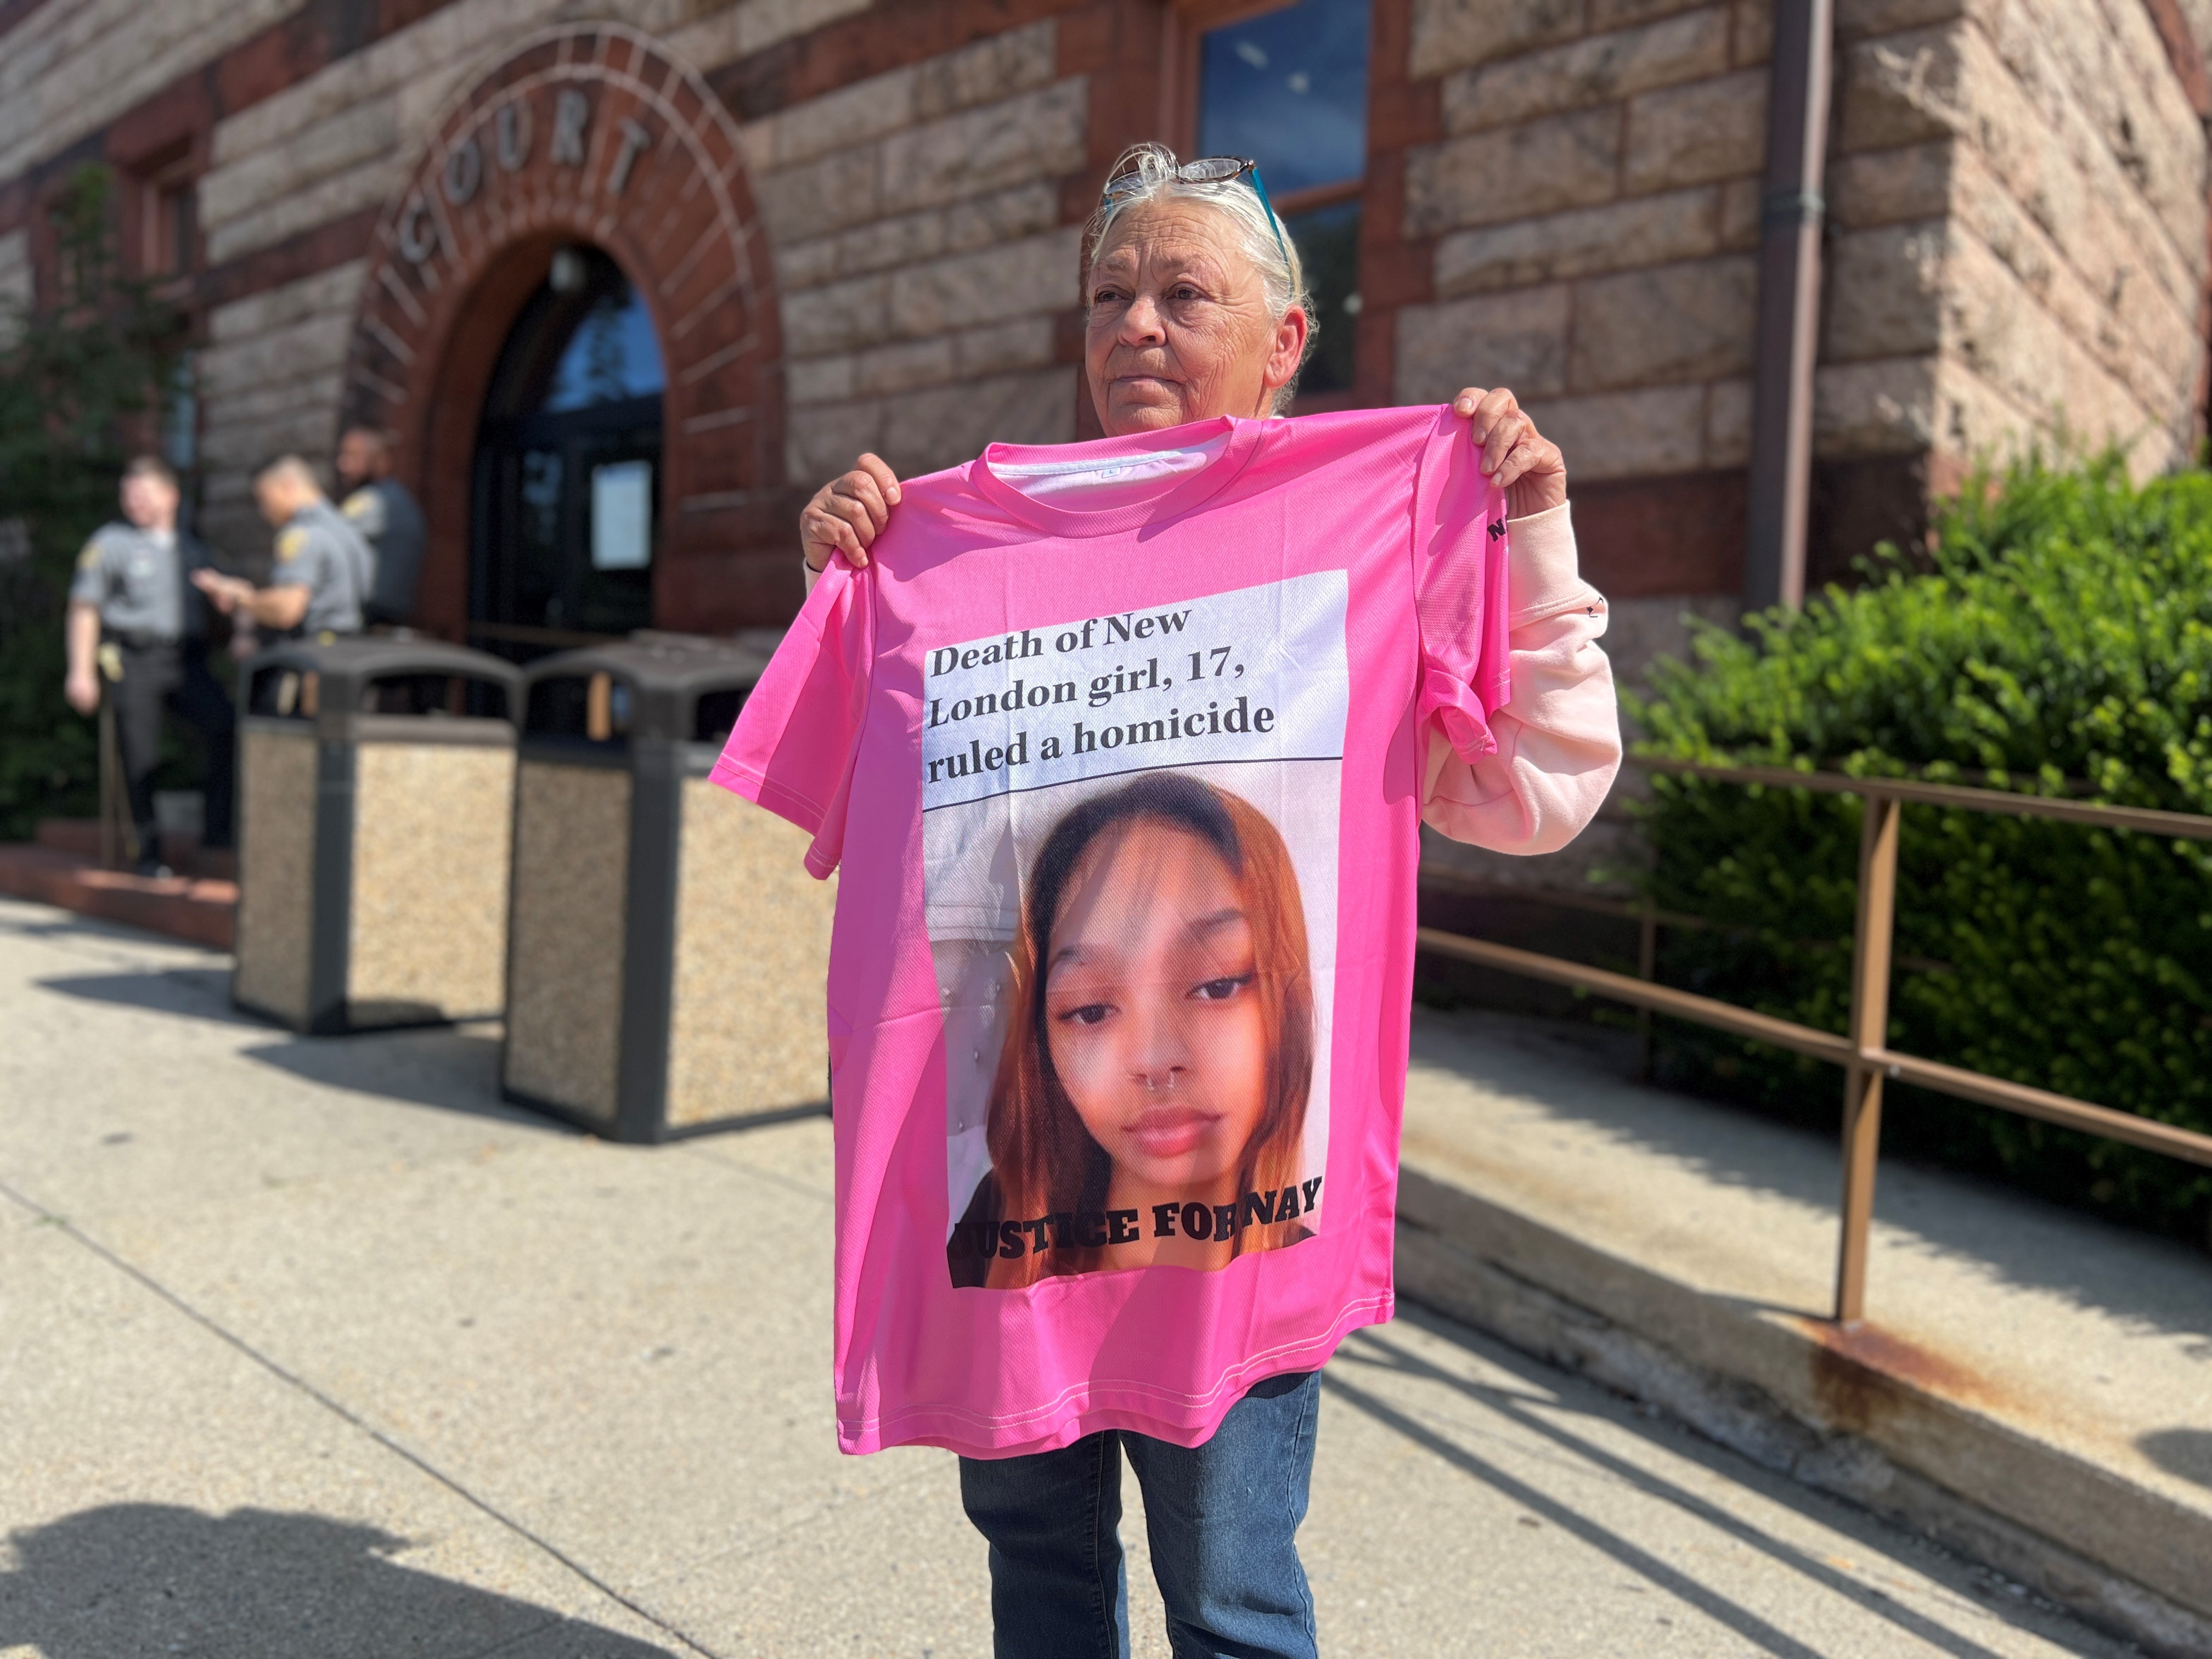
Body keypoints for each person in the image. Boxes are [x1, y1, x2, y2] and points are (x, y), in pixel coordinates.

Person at [784, 142, 1619, 1658]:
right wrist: (847, 587)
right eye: (1111, 293)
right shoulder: (952, 550)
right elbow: (860, 813)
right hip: (1016, 1217)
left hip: (1236, 1237)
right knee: (1039, 1587)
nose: (1138, 327)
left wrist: (1534, 533)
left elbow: (1543, 789)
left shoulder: (1369, 528)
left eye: (1184, 292)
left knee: (1233, 1604)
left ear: (1286, 339)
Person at [952, 772, 1313, 1288]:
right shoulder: (995, 1228)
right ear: (1044, 1043)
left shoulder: (1304, 1280)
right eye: (1092, 1010)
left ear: (1285, 1001)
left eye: (1215, 985)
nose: (1155, 1058)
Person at [63, 456, 238, 877]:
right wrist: (81, 670)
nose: (134, 503)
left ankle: (217, 835)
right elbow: (84, 607)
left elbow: (228, 595)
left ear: (171, 495)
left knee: (225, 729)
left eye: (143, 494)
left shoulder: (192, 546)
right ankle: (148, 852)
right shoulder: (111, 543)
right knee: (140, 755)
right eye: (128, 495)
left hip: (186, 658)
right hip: (134, 658)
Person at [191, 455, 372, 641]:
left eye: (264, 499)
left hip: (317, 654)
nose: (263, 511)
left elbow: (286, 611)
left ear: (287, 486)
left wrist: (241, 598)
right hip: (355, 649)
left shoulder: (301, 534)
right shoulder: (347, 528)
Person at [334, 424, 425, 628]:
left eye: (353, 456)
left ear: (379, 460)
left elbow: (332, 547)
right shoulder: (400, 498)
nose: (342, 465)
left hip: (363, 620)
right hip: (392, 616)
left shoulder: (369, 501)